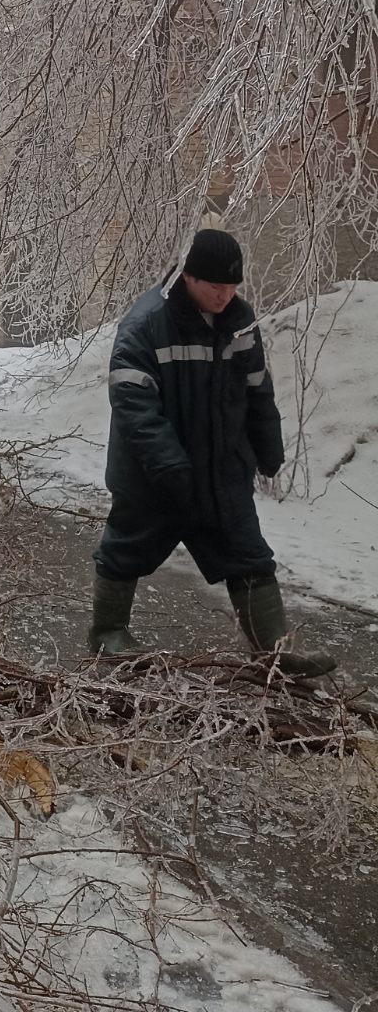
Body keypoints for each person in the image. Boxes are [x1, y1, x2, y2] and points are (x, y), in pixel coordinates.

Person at [90, 227, 334, 676]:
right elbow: (133, 406)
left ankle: (273, 654)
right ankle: (108, 635)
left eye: (232, 286)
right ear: (188, 277)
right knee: (126, 549)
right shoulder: (145, 325)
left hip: (222, 470)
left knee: (249, 555)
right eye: (216, 286)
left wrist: (267, 445)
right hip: (154, 475)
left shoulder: (240, 321)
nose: (226, 295)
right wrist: (168, 464)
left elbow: (257, 388)